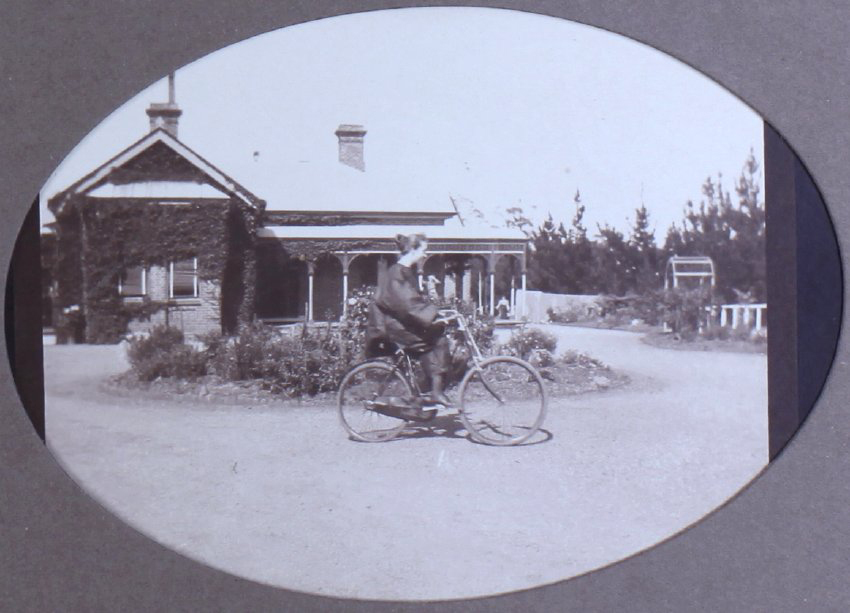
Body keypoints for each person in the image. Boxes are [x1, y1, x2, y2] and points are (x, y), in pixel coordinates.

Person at [366, 233, 451, 416]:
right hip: (394, 327)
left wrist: (438, 314)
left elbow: (414, 302)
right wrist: (433, 316)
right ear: (413, 250)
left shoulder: (405, 271)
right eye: (423, 250)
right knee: (436, 340)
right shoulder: (397, 273)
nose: (425, 255)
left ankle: (425, 396)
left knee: (435, 337)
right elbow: (407, 304)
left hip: (401, 323)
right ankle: (434, 392)